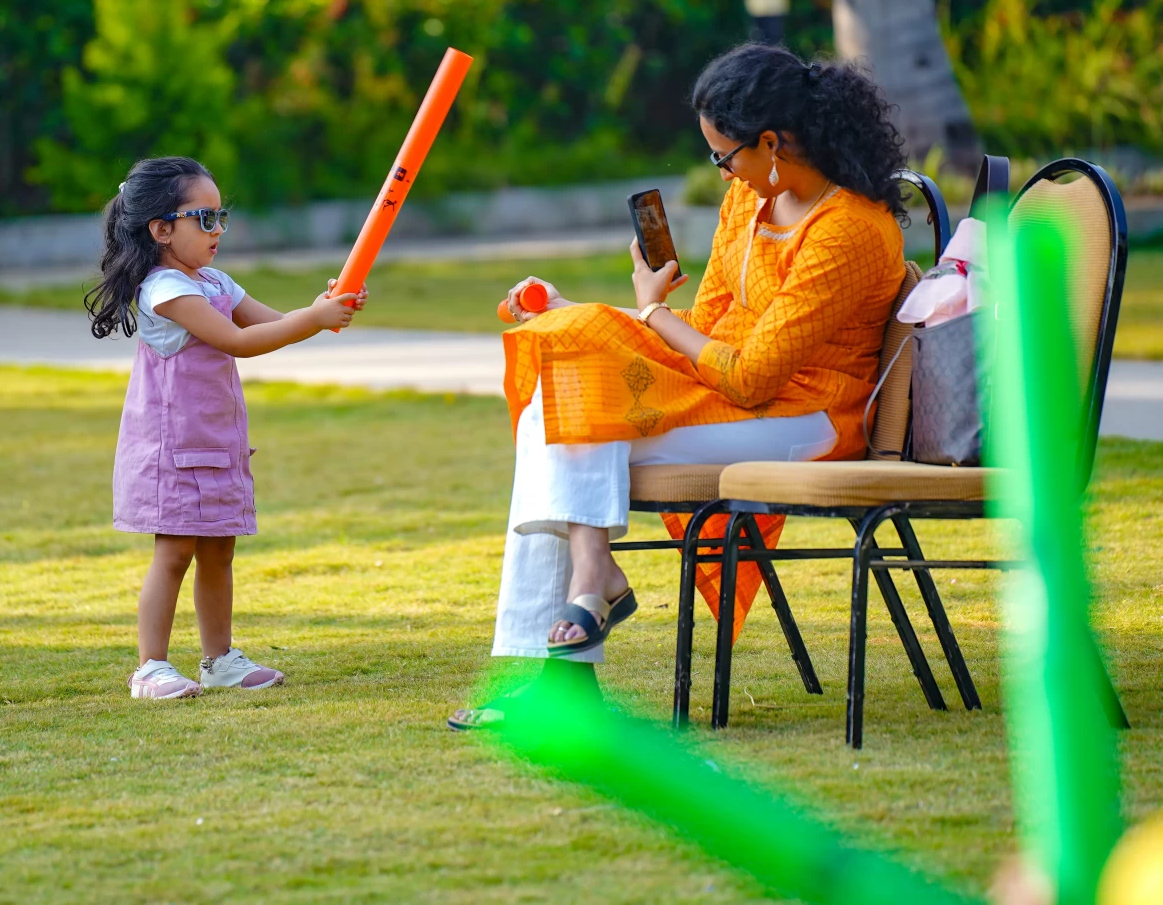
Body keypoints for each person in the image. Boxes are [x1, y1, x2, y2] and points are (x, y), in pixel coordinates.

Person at [450, 43, 911, 729]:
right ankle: (586, 596)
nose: (722, 172)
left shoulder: (848, 231)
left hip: (811, 417)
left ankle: (572, 651)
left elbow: (754, 375)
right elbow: (710, 331)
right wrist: (588, 317)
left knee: (573, 411)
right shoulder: (746, 206)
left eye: (726, 156)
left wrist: (652, 315)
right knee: (563, 394)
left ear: (773, 143)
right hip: (737, 398)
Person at [89, 156, 367, 700]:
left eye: (222, 217)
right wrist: (312, 318)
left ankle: (219, 659)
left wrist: (320, 309)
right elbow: (239, 342)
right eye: (205, 218)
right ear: (161, 229)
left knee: (219, 551)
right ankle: (151, 668)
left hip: (215, 444)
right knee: (173, 553)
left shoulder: (213, 281)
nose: (218, 230)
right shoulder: (166, 291)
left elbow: (271, 325)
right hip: (172, 448)